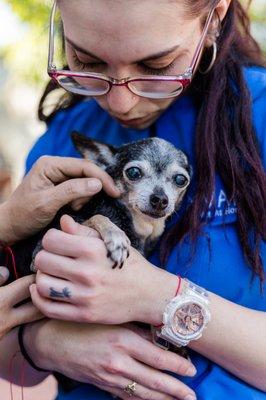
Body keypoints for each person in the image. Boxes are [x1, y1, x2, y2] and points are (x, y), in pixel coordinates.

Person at [1, 0, 265, 399]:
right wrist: (45, 344)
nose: (120, 103)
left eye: (157, 66)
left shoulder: (258, 116)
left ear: (215, 18)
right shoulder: (65, 138)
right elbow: (16, 362)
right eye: (87, 61)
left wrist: (159, 298)